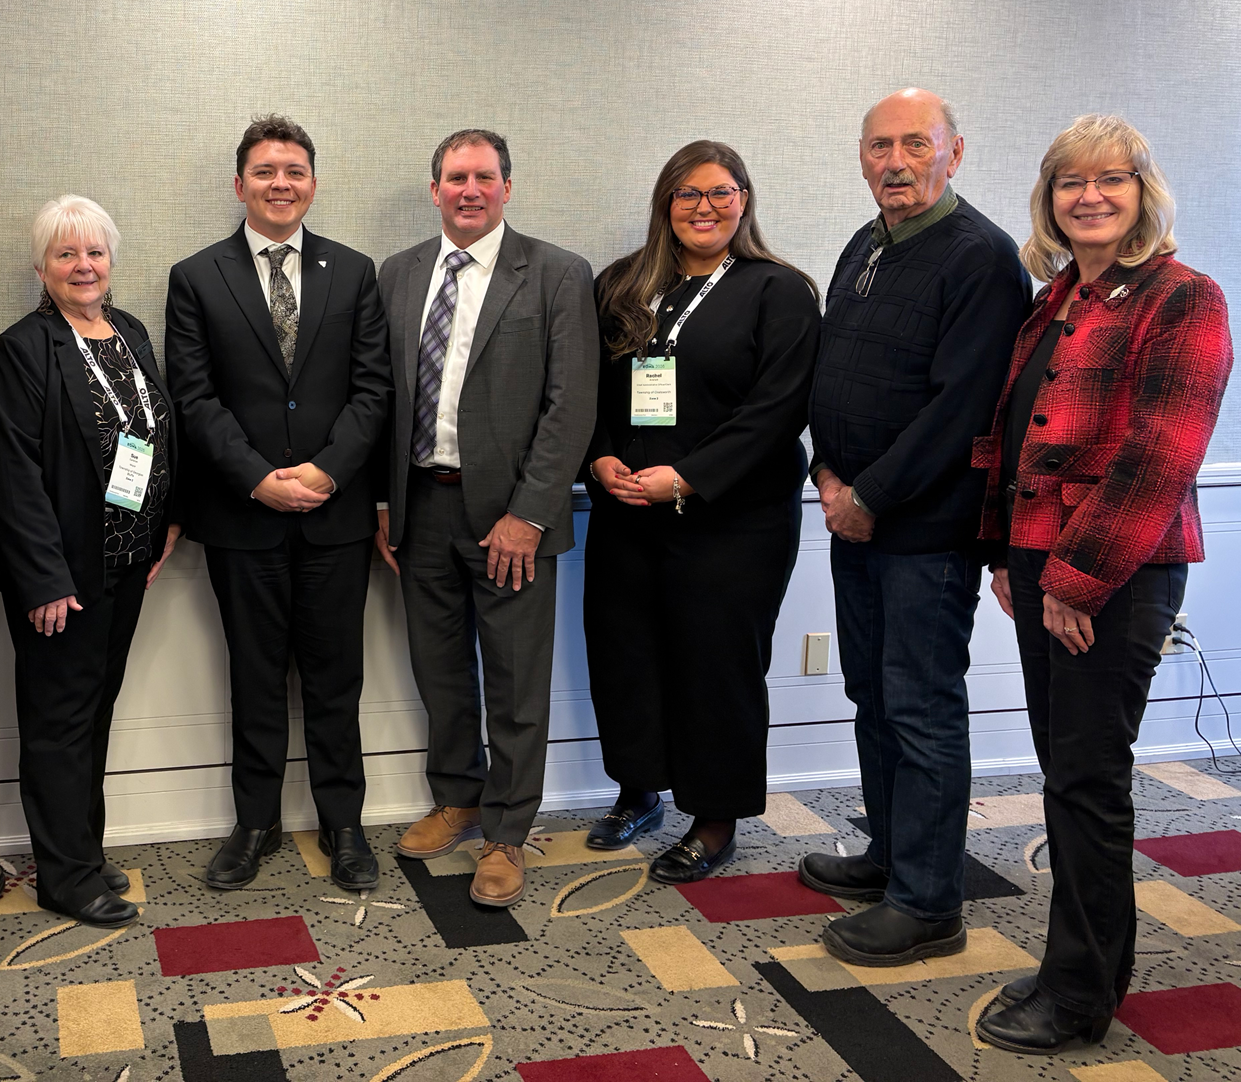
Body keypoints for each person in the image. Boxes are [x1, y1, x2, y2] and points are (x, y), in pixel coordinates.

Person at [972, 117, 1231, 1055]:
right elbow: (1016, 438)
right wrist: (1005, 553)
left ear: (1142, 190)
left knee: (1087, 778)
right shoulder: (1057, 300)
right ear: (1049, 199)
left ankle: (1080, 995)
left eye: (1110, 180)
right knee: (1066, 771)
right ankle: (1078, 961)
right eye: (1069, 182)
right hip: (1044, 564)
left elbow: (1160, 454)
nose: (1089, 196)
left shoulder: (1182, 299)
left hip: (1115, 570)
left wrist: (1076, 579)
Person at [798, 88, 1030, 966]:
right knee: (873, 695)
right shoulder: (867, 243)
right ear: (861, 158)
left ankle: (930, 902)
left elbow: (961, 410)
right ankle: (893, 856)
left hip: (923, 532)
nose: (894, 161)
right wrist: (826, 470)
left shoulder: (982, 259)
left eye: (914, 144)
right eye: (878, 146)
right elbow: (836, 373)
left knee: (923, 708)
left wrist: (870, 495)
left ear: (955, 153)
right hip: (851, 512)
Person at [165, 115, 393, 892]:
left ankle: (345, 823)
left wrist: (326, 472)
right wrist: (259, 477)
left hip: (335, 514)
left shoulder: (354, 272)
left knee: (337, 679)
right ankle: (254, 822)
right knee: (255, 676)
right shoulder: (196, 276)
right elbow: (192, 399)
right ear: (240, 184)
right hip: (242, 515)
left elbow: (374, 389)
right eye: (264, 171)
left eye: (294, 170)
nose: (280, 183)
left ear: (313, 183)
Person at [583, 141, 820, 882]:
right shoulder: (621, 283)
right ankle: (638, 790)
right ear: (665, 204)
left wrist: (686, 478)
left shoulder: (778, 289)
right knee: (626, 656)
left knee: (716, 668)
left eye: (720, 192)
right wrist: (598, 457)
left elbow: (776, 412)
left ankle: (715, 819)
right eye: (687, 194)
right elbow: (584, 387)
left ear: (744, 200)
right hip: (627, 511)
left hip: (734, 519)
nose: (704, 207)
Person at [377, 129, 598, 909]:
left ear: (508, 186)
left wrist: (530, 515)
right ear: (434, 189)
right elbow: (384, 397)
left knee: (514, 680)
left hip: (511, 518)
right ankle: (458, 796)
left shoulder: (557, 274)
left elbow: (571, 405)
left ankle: (507, 831)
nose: (469, 189)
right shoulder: (399, 274)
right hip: (421, 506)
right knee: (439, 670)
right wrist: (384, 501)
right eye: (454, 177)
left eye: (484, 176)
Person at [0, 196, 185, 926]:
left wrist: (167, 520)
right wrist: (42, 577)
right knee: (58, 722)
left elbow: (158, 429)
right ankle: (63, 875)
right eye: (66, 254)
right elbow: (15, 472)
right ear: (42, 267)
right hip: (60, 576)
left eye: (94, 251)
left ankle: (83, 853)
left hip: (124, 566)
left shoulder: (126, 332)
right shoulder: (22, 349)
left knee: (94, 712)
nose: (83, 265)